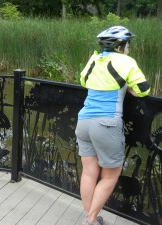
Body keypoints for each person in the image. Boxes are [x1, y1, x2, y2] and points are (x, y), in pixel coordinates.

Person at [75, 26, 150, 225]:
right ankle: (90, 219)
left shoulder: (94, 59)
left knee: (89, 172)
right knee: (111, 175)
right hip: (106, 123)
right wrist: (130, 89)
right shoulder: (125, 61)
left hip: (84, 121)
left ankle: (90, 216)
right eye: (128, 44)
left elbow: (83, 81)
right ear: (120, 46)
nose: (129, 48)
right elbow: (144, 89)